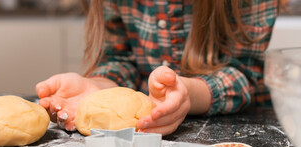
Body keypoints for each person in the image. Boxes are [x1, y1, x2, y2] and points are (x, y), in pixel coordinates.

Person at [36, 0, 279, 136]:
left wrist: (187, 93)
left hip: (241, 130)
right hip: (147, 134)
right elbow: (121, 59)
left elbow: (246, 72)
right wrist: (97, 87)